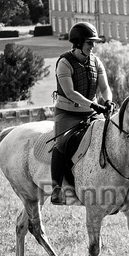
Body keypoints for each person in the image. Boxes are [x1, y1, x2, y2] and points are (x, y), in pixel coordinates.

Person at [51, 22, 113, 205]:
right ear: (78, 43)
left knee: (112, 135)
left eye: (93, 43)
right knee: (61, 144)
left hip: (91, 112)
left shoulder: (96, 61)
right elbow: (70, 93)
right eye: (89, 42)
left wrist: (107, 101)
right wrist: (94, 105)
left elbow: (105, 88)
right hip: (67, 113)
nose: (92, 46)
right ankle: (56, 189)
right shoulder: (64, 63)